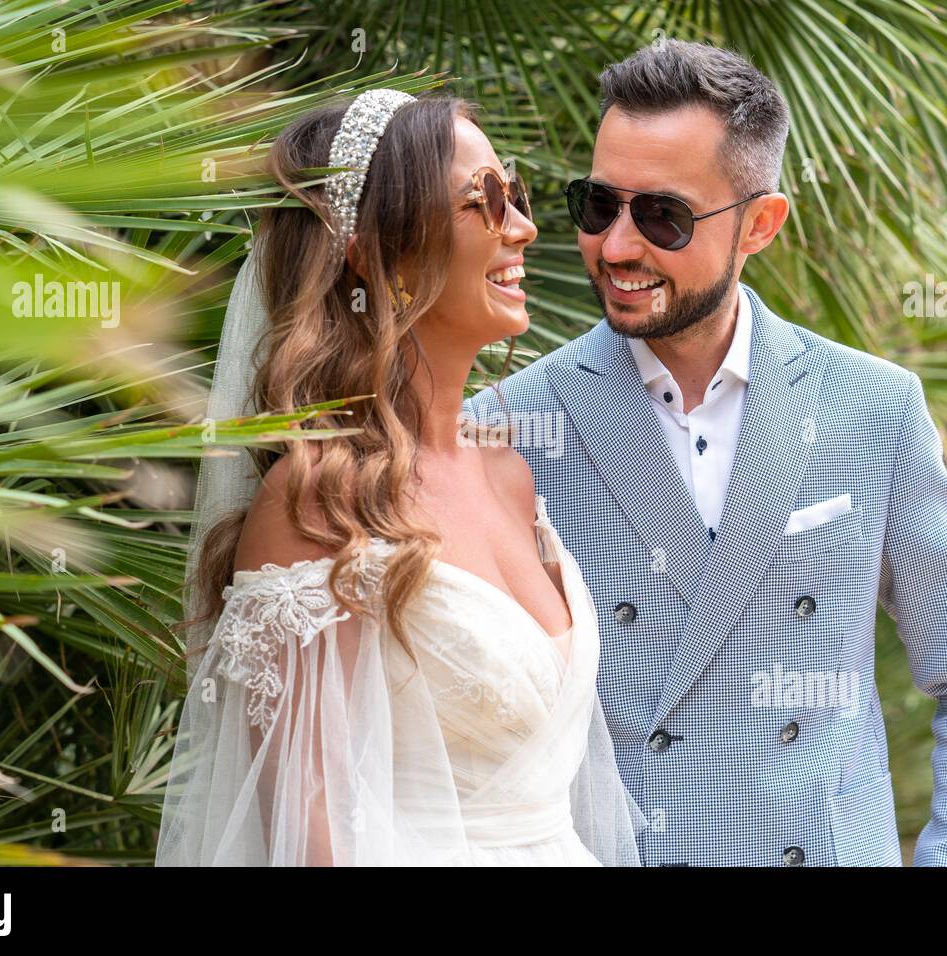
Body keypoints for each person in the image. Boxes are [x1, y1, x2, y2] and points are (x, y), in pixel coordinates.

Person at [464, 40, 947, 866]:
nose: (616, 247)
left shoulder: (873, 410)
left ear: (760, 224)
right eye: (597, 205)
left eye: (662, 216)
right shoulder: (509, 426)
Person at [155, 90, 647, 866]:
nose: (521, 226)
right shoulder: (319, 501)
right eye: (481, 201)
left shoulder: (509, 475)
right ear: (371, 249)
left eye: (512, 194)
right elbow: (310, 837)